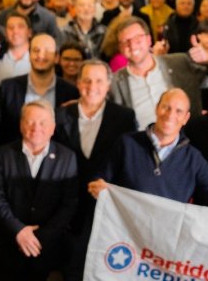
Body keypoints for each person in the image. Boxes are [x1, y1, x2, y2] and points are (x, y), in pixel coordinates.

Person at [88, 89, 208, 218]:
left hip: (163, 246)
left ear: (186, 118)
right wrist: (98, 185)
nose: (170, 115)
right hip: (125, 237)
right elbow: (99, 178)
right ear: (156, 108)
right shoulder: (127, 143)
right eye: (166, 107)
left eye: (178, 111)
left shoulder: (193, 159)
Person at [54, 60, 137, 281]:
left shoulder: (125, 117)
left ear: (108, 84)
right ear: (78, 83)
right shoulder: (60, 115)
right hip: (66, 208)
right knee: (69, 268)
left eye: (99, 80)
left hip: (105, 208)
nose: (93, 86)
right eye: (87, 80)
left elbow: (129, 162)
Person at [0, 100, 78, 281]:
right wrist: (19, 231)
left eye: (43, 122)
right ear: (21, 125)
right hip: (9, 243)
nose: (36, 127)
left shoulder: (67, 157)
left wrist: (40, 237)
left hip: (47, 246)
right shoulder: (3, 154)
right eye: (30, 121)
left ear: (53, 127)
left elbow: (69, 204)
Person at [110, 16, 208, 127]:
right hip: (141, 142)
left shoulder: (179, 63)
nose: (132, 45)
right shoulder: (115, 83)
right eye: (125, 41)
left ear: (149, 40)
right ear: (120, 48)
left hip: (186, 138)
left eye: (137, 38)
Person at [0, 33, 79, 145]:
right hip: (13, 158)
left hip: (56, 160)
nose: (41, 55)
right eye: (36, 50)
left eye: (47, 51)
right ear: (29, 55)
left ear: (56, 58)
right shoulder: (8, 88)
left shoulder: (71, 92)